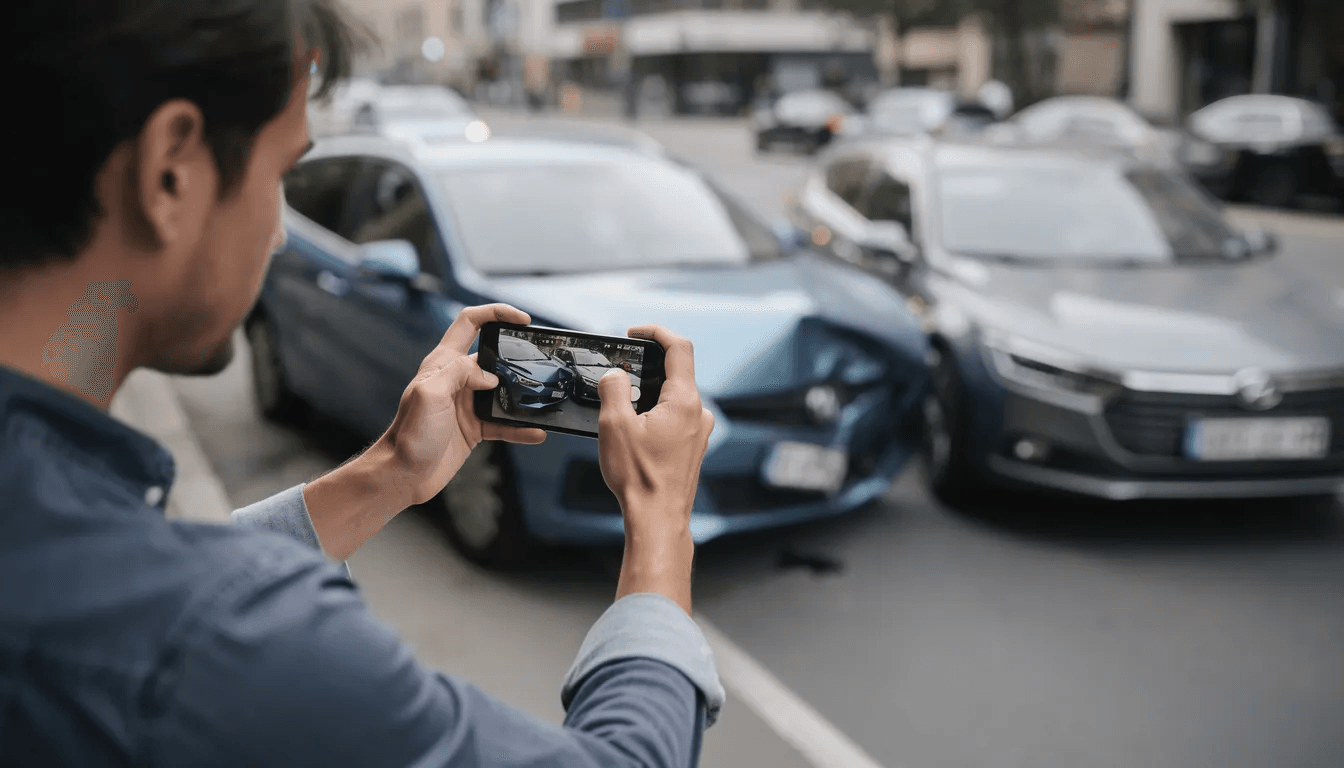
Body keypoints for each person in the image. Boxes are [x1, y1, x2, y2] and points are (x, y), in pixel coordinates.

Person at [0, 1, 724, 766]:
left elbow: (137, 577)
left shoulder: (71, 552)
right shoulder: (227, 637)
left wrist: (391, 472)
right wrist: (659, 524)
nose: (280, 232)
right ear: (170, 172)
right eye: (281, 175)